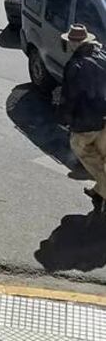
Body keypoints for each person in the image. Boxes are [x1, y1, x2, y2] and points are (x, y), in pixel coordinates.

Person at [57, 24, 106, 211]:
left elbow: (70, 98)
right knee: (103, 157)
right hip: (104, 118)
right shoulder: (103, 56)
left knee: (87, 155)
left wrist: (63, 118)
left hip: (86, 123)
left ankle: (104, 191)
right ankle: (99, 192)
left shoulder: (75, 65)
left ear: (72, 43)